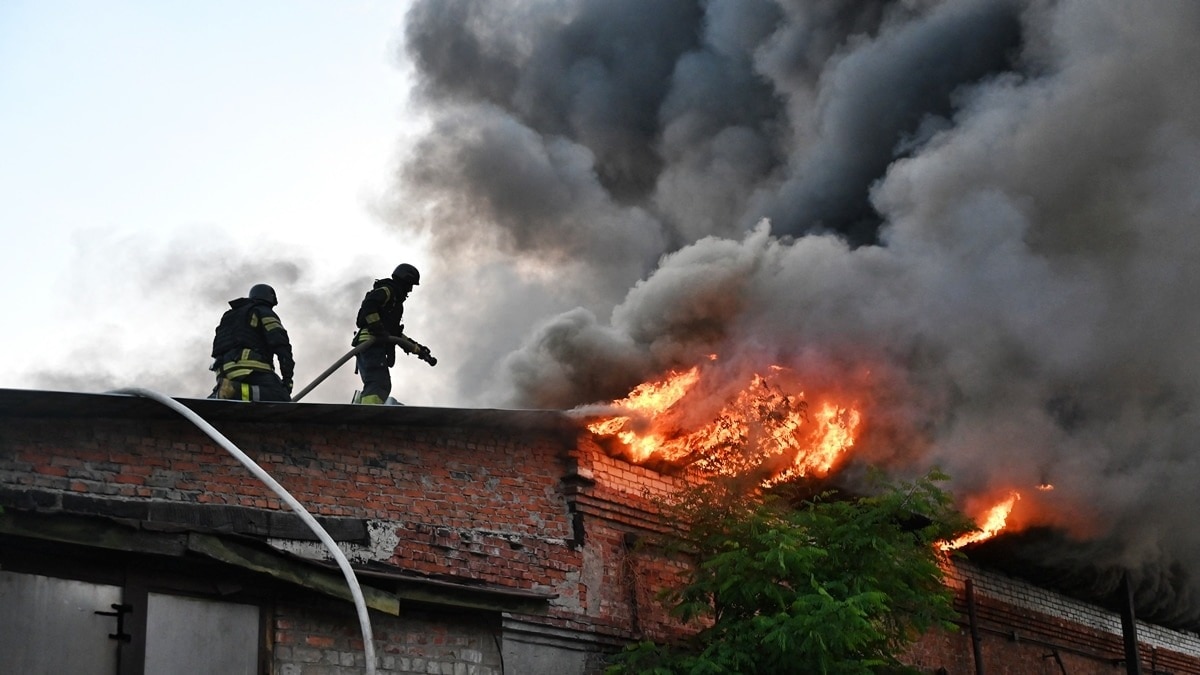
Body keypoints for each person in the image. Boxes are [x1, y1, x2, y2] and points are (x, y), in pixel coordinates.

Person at [209, 283, 295, 402]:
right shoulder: (263, 311)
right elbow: (281, 345)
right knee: (280, 397)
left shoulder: (231, 315)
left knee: (241, 392)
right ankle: (234, 391)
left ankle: (218, 394)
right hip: (248, 367)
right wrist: (287, 379)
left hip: (223, 371)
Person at [352, 263, 420, 404]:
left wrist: (416, 348)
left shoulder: (396, 303)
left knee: (377, 382)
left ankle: (360, 405)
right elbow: (369, 305)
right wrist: (377, 327)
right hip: (371, 342)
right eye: (410, 285)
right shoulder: (388, 291)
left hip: (373, 344)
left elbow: (394, 333)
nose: (410, 290)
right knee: (379, 383)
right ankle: (368, 414)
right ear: (404, 280)